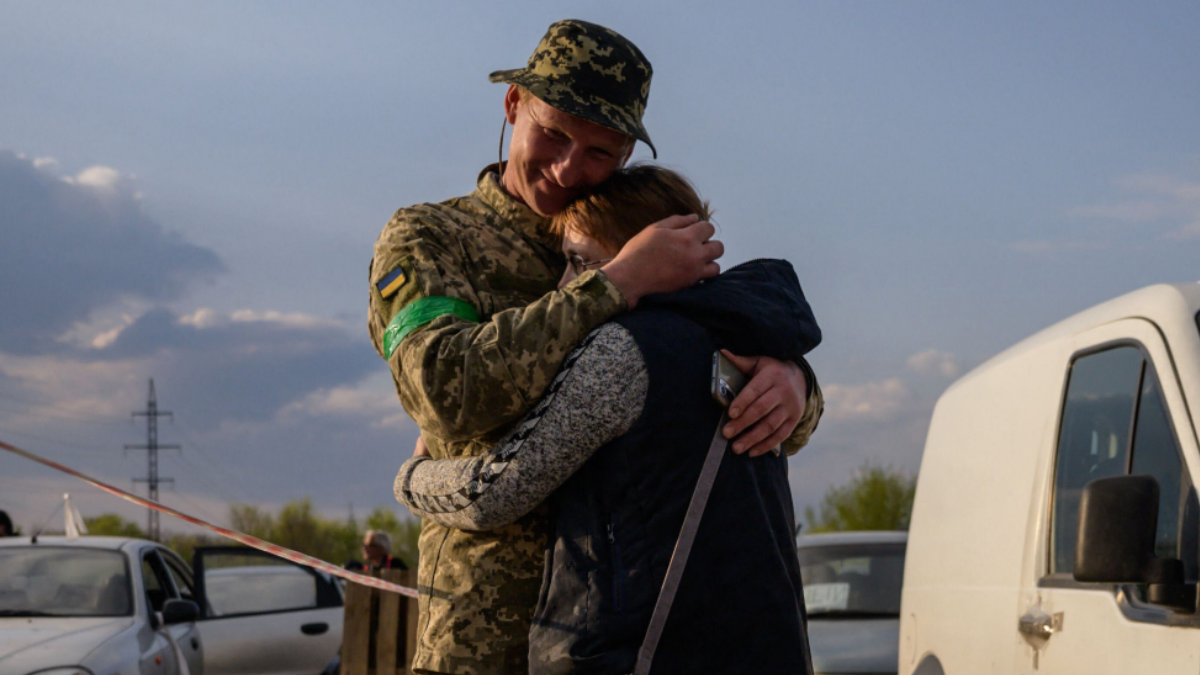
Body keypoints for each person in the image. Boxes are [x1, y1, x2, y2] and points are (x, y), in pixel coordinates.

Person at [368, 20, 823, 675]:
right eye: (552, 133)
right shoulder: (431, 239)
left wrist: (793, 383)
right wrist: (612, 285)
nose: (566, 167)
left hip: (625, 642)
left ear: (626, 156)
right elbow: (447, 391)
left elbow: (715, 391)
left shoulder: (626, 238)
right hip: (483, 640)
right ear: (513, 104)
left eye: (598, 152)